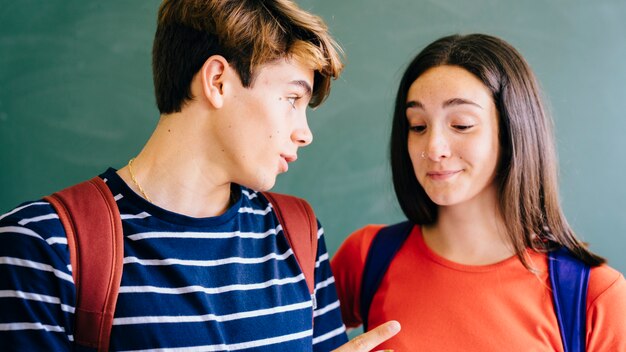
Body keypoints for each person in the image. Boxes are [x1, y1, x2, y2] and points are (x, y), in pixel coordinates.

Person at [0, 1, 400, 351]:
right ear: (218, 81)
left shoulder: (298, 233)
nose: (305, 132)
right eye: (292, 99)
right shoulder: (40, 245)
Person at [331, 33, 626, 351]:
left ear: (512, 132)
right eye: (418, 126)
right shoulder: (366, 256)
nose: (433, 148)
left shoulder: (595, 294)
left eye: (461, 124)